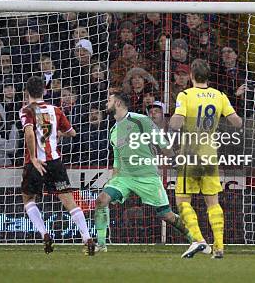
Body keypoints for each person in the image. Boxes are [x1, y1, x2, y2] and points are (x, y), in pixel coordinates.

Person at [93, 90, 193, 254]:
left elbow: (162, 143)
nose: (106, 103)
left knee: (166, 215)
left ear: (118, 103)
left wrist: (176, 163)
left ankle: (194, 238)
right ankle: (101, 245)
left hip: (147, 176)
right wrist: (113, 179)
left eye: (109, 100)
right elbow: (117, 159)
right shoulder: (113, 131)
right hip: (124, 177)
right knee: (101, 201)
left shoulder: (140, 120)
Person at [169, 59, 243, 259]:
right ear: (208, 75)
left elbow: (176, 123)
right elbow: (237, 122)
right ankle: (219, 247)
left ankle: (199, 240)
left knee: (183, 200)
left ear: (192, 75)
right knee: (213, 202)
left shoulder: (185, 95)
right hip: (210, 154)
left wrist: (176, 119)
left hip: (190, 155)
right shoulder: (219, 96)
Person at [19, 76, 95, 255]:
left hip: (35, 163)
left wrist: (35, 158)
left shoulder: (26, 110)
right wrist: (56, 133)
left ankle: (44, 234)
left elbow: (29, 134)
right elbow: (72, 132)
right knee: (68, 201)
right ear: (44, 91)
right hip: (55, 162)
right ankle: (87, 237)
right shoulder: (56, 110)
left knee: (28, 199)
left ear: (27, 92)